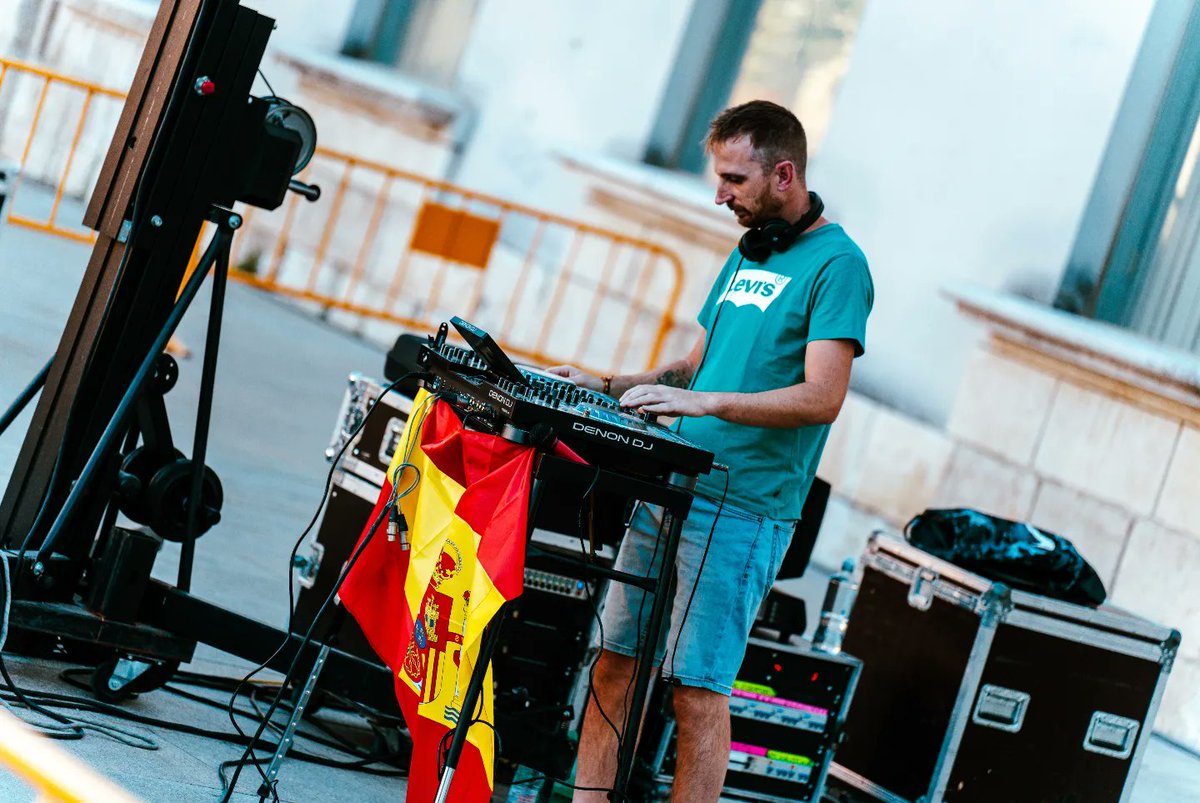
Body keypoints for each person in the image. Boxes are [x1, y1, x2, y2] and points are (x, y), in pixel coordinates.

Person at [549, 99, 873, 802]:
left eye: (734, 178)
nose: (719, 193)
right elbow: (695, 366)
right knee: (615, 661)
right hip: (671, 484)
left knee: (696, 691)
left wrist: (709, 403)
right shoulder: (749, 249)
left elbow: (823, 395)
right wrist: (606, 382)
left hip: (742, 506)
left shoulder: (839, 266)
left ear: (783, 173)